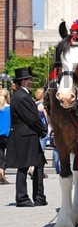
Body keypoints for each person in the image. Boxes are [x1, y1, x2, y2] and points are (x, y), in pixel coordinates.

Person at [5, 67, 48, 207]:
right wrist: (43, 129)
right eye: (29, 79)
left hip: (27, 135)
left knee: (37, 164)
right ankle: (23, 197)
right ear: (23, 81)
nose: (32, 81)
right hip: (25, 135)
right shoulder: (22, 97)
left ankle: (38, 196)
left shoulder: (20, 95)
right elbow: (32, 118)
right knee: (24, 167)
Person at [29, 87, 49, 179]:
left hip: (34, 130)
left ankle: (31, 167)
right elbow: (47, 118)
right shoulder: (42, 105)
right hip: (43, 129)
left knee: (34, 150)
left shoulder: (33, 104)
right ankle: (35, 169)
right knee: (41, 151)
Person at [0, 87, 11, 185]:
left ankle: (0, 169)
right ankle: (2, 169)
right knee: (9, 154)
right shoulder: (10, 108)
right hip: (8, 134)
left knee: (0, 154)